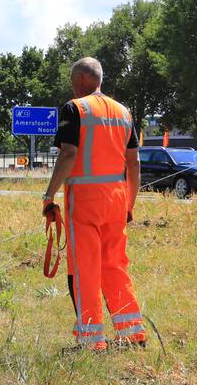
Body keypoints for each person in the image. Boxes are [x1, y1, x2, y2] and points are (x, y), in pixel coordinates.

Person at [42, 57, 145, 351]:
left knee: (85, 270)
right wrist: (129, 204)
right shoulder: (123, 112)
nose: (72, 88)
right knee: (115, 266)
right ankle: (132, 333)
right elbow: (133, 162)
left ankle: (91, 341)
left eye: (73, 82)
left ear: (82, 80)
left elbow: (68, 155)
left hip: (85, 203)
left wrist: (49, 196)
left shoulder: (75, 108)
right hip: (116, 201)